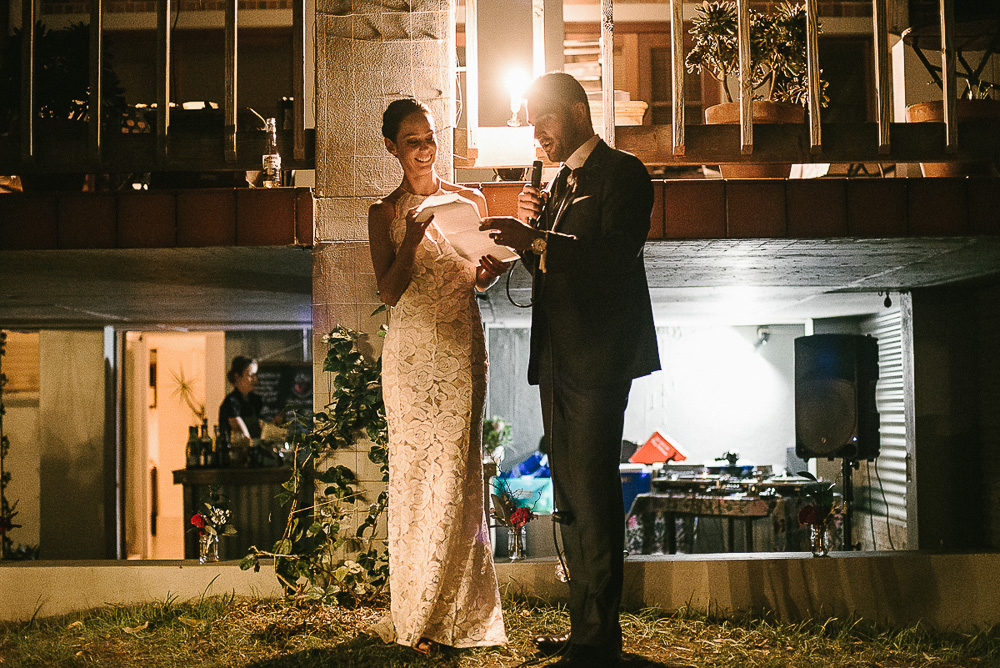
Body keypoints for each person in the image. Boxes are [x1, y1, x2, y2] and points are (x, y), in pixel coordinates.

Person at [481, 72, 661, 667]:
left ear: (579, 111)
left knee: (594, 492)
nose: (536, 135)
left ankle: (599, 639)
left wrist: (536, 241)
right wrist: (530, 237)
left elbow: (612, 257)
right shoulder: (558, 184)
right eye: (531, 125)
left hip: (599, 356)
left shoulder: (623, 173)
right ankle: (585, 628)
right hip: (557, 356)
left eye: (544, 121)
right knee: (570, 496)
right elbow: (551, 267)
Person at [367, 97, 510, 654]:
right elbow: (388, 291)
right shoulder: (383, 212)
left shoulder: (468, 201)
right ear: (392, 148)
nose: (426, 150)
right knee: (416, 478)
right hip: (411, 357)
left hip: (460, 349)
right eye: (413, 142)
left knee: (459, 476)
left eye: (430, 138)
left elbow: (477, 277)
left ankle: (457, 613)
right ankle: (417, 613)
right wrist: (410, 237)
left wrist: (488, 272)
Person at [219, 355, 265, 443]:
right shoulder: (230, 402)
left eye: (256, 375)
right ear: (237, 376)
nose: (255, 380)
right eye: (251, 376)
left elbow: (263, 428)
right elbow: (243, 435)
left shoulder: (256, 400)